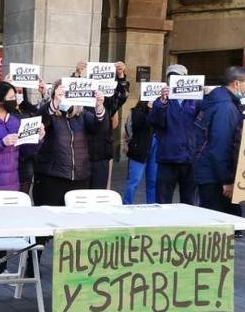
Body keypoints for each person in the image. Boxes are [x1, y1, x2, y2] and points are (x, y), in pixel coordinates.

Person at [0, 81, 44, 273]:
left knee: (2, 227)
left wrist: (38, 139)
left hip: (11, 183)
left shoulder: (14, 121)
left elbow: (25, 151)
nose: (15, 101)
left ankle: (1, 266)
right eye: (11, 98)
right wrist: (1, 143)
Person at [33, 79, 106, 206]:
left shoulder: (82, 115)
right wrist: (56, 101)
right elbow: (41, 121)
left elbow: (99, 128)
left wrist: (99, 106)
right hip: (52, 177)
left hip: (79, 177)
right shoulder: (48, 112)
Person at [195, 66, 245, 220]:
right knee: (218, 224)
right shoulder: (225, 107)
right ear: (236, 83)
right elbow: (221, 146)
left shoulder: (219, 101)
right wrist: (227, 180)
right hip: (215, 177)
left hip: (209, 172)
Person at [149, 64, 199, 204]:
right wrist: (161, 103)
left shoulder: (195, 100)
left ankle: (187, 226)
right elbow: (154, 122)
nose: (174, 80)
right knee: (163, 201)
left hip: (189, 158)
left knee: (189, 201)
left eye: (177, 77)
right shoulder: (162, 101)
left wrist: (206, 93)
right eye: (171, 78)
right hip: (167, 159)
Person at [84, 61, 129, 189]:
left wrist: (120, 76)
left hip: (101, 155)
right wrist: (77, 74)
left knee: (99, 191)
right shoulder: (80, 102)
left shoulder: (108, 101)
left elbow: (122, 95)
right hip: (82, 154)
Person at [122, 98, 157, 204]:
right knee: (134, 181)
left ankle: (151, 207)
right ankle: (126, 205)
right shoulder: (136, 111)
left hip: (155, 146)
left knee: (153, 181)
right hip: (139, 149)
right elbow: (138, 124)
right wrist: (150, 110)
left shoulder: (160, 109)